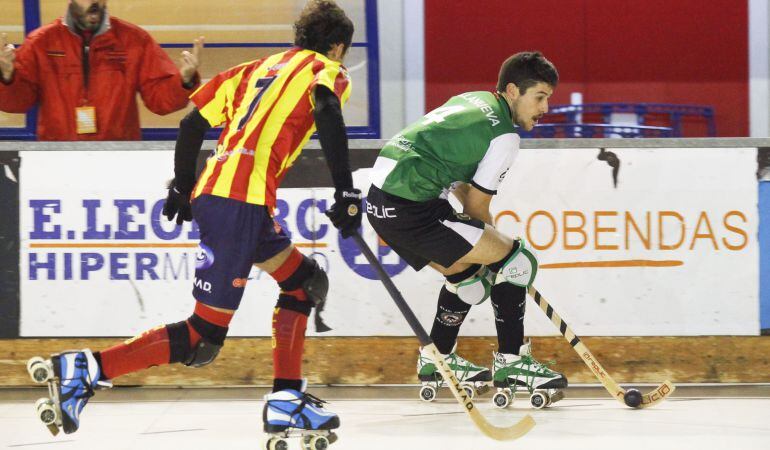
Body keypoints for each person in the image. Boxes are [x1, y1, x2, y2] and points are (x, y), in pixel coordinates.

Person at [26, 0, 361, 439]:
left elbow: (190, 124)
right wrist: (346, 189)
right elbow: (326, 109)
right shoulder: (327, 71)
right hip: (239, 204)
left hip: (230, 198)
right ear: (337, 47)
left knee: (304, 283)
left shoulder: (253, 69)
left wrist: (183, 187)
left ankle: (286, 399)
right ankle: (85, 368)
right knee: (203, 338)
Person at [366, 52, 568, 406]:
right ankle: (512, 362)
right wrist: (501, 256)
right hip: (412, 206)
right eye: (539, 96)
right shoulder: (505, 137)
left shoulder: (472, 99)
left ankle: (438, 359)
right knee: (517, 263)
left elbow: (460, 182)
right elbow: (476, 208)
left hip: (381, 202)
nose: (545, 107)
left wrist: (489, 247)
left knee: (470, 282)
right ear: (512, 91)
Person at [0, 0, 202, 140]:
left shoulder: (134, 40)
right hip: (57, 157)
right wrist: (7, 77)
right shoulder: (41, 42)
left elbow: (160, 101)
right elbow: (18, 103)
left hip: (118, 155)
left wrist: (183, 81)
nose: (95, 3)